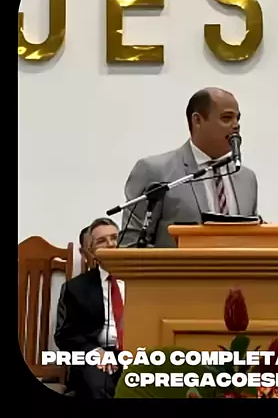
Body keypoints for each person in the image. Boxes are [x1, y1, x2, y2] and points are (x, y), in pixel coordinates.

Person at [121, 87, 259, 247]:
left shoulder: (246, 178)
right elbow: (131, 245)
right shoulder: (156, 171)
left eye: (237, 119)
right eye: (226, 118)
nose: (236, 125)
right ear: (197, 120)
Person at [54, 217, 124, 399]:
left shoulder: (143, 281)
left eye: (114, 238)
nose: (111, 244)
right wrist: (94, 352)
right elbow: (65, 335)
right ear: (91, 252)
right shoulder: (76, 288)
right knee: (100, 386)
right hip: (98, 353)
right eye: (102, 241)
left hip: (137, 351)